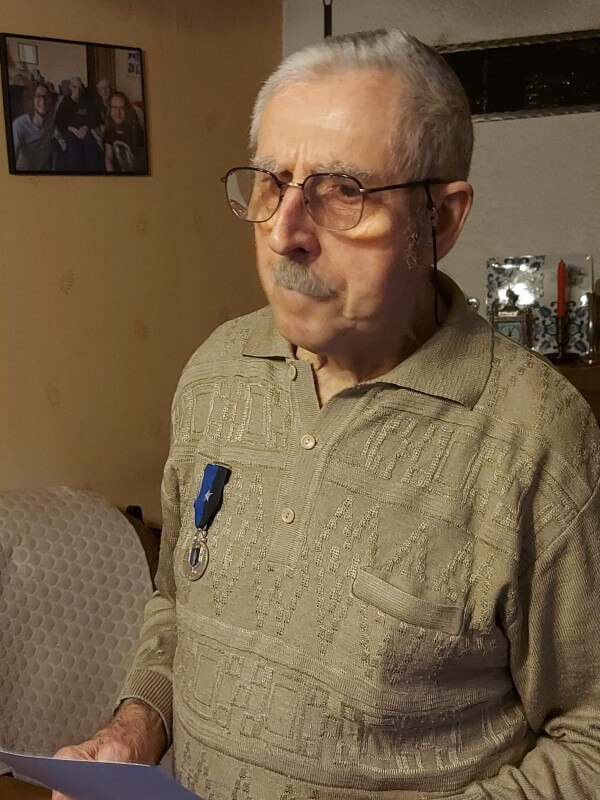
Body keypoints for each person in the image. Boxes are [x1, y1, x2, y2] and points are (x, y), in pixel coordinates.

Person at [53, 29, 600, 800]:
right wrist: (136, 726)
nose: (285, 233)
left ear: (440, 220)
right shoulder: (216, 371)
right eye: (271, 183)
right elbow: (179, 601)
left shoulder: (537, 439)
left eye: (343, 191)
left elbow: (590, 740)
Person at [55, 76, 103, 171]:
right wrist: (72, 129)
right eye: (75, 87)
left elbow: (95, 117)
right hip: (71, 132)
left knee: (90, 144)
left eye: (80, 88)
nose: (78, 90)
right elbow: (59, 121)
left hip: (86, 131)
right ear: (70, 88)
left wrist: (86, 127)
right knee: (73, 146)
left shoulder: (87, 102)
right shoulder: (64, 103)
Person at [11, 81, 57, 171]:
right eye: (38, 96)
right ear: (31, 99)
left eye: (46, 97)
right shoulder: (19, 126)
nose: (43, 101)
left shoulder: (50, 122)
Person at [103, 91, 147, 173]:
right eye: (114, 107)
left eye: (122, 108)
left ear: (127, 110)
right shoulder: (109, 130)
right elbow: (109, 158)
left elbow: (142, 162)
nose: (118, 113)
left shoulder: (137, 131)